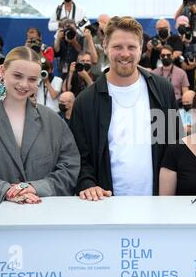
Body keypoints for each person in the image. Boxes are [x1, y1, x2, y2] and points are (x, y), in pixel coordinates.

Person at [0, 46, 81, 277]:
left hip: (43, 229)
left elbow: (69, 166)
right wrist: (3, 191)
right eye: (17, 76)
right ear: (3, 72)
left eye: (32, 78)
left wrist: (35, 188)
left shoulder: (52, 121)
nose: (24, 84)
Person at [69, 16, 182, 201]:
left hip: (158, 204)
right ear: (105, 47)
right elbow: (79, 157)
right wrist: (87, 184)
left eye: (131, 47)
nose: (125, 54)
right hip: (107, 205)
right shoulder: (85, 101)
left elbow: (174, 144)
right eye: (117, 47)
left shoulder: (162, 90)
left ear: (141, 48)